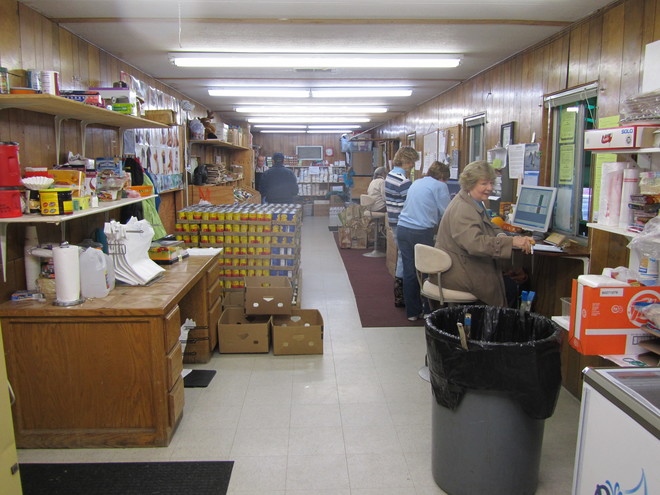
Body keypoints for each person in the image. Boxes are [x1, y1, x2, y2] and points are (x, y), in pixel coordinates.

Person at [435, 160, 534, 307]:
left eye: (491, 183)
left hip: (461, 265)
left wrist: (502, 236)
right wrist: (511, 242)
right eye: (484, 184)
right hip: (459, 272)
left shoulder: (472, 201)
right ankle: (495, 328)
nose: (489, 188)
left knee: (508, 278)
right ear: (470, 183)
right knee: (510, 287)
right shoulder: (464, 209)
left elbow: (490, 225)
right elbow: (475, 244)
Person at [396, 161, 451, 320]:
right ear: (442, 177)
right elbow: (447, 213)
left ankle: (412, 312)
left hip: (403, 229)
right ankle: (429, 310)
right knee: (429, 271)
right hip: (421, 232)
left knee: (409, 271)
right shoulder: (440, 186)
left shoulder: (417, 182)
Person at [384, 146, 418, 307]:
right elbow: (411, 205)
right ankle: (403, 295)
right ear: (405, 160)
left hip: (393, 220)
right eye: (411, 162)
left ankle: (399, 294)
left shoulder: (390, 175)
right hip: (402, 222)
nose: (412, 165)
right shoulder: (404, 181)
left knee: (402, 257)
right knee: (406, 259)